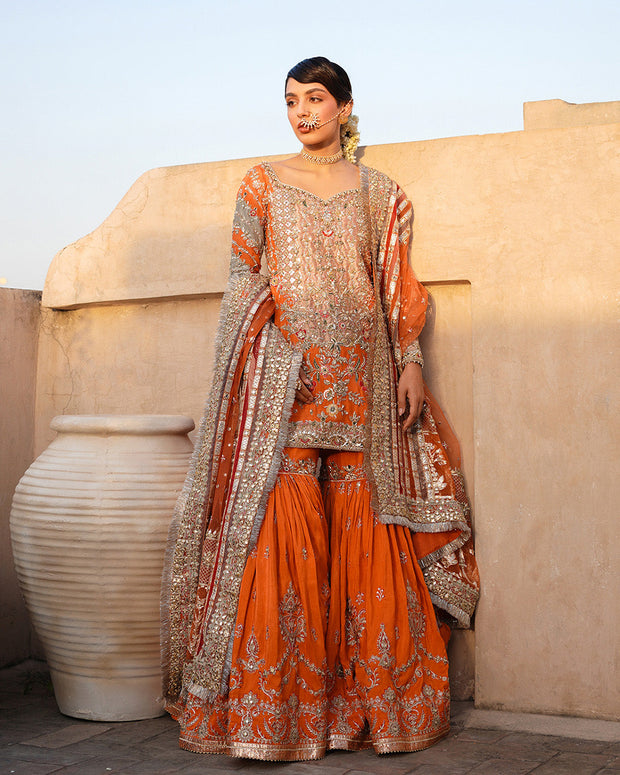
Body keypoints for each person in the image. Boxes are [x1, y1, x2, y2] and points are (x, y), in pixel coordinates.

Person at [161, 56, 479, 761]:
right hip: (287, 384)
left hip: (365, 380)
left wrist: (412, 364)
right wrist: (269, 361)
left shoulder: (381, 193)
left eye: (313, 98)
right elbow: (244, 282)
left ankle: (372, 709)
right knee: (287, 535)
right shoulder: (262, 184)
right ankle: (283, 718)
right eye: (289, 101)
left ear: (344, 107)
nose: (300, 112)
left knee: (366, 537)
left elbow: (396, 285)